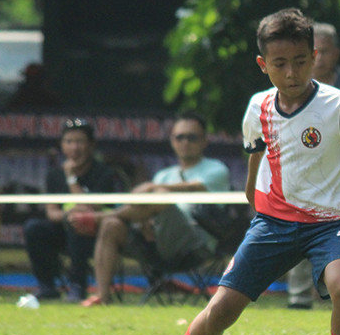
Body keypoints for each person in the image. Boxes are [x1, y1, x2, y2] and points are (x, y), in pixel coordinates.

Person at [148, 8, 340, 335]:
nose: (292, 73)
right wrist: (257, 207)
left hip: (333, 221)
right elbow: (255, 162)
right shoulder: (257, 108)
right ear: (263, 64)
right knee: (223, 306)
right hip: (274, 223)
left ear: (315, 57)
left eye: (300, 62)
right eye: (280, 64)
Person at [82, 112, 232, 306]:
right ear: (172, 141)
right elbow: (142, 195)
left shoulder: (216, 169)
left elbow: (194, 187)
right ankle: (102, 297)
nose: (185, 142)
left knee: (161, 195)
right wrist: (145, 220)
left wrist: (153, 189)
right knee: (111, 225)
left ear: (204, 141)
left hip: (195, 243)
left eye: (192, 137)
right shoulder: (163, 175)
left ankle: (99, 217)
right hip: (156, 241)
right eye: (180, 137)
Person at [286, 21, 340, 309]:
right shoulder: (290, 88)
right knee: (297, 229)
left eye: (324, 51)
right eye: (313, 51)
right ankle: (298, 300)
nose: (318, 57)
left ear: (336, 54)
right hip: (302, 175)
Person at [23, 118, 124, 301]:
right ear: (62, 145)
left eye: (80, 142)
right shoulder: (54, 175)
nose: (74, 148)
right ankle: (47, 286)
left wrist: (71, 179)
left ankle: (78, 286)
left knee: (79, 221)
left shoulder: (104, 173)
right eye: (69, 142)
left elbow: (89, 208)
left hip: (98, 233)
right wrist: (66, 215)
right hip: (64, 228)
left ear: (91, 145)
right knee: (34, 228)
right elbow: (51, 212)